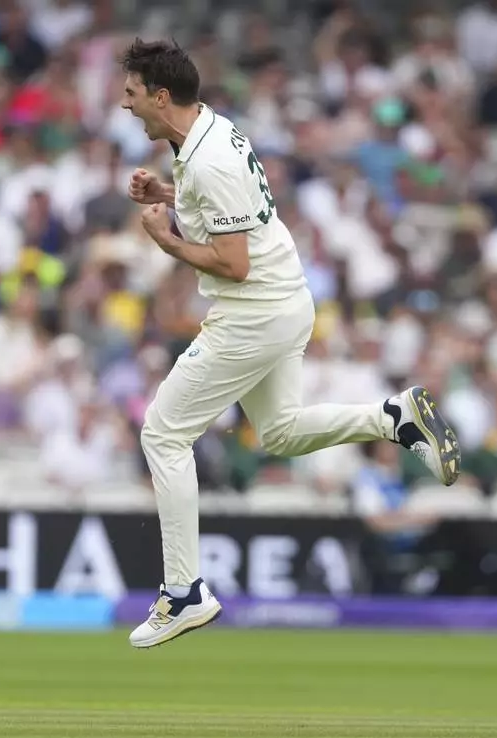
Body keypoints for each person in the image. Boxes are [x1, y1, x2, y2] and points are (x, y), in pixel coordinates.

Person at [117, 39, 461, 649]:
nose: (125, 105)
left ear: (160, 95)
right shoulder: (208, 132)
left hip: (254, 310)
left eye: (132, 93)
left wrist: (166, 240)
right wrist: (168, 197)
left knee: (163, 433)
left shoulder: (209, 159)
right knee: (279, 432)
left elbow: (234, 263)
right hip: (287, 300)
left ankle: (184, 591)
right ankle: (392, 417)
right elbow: (230, 210)